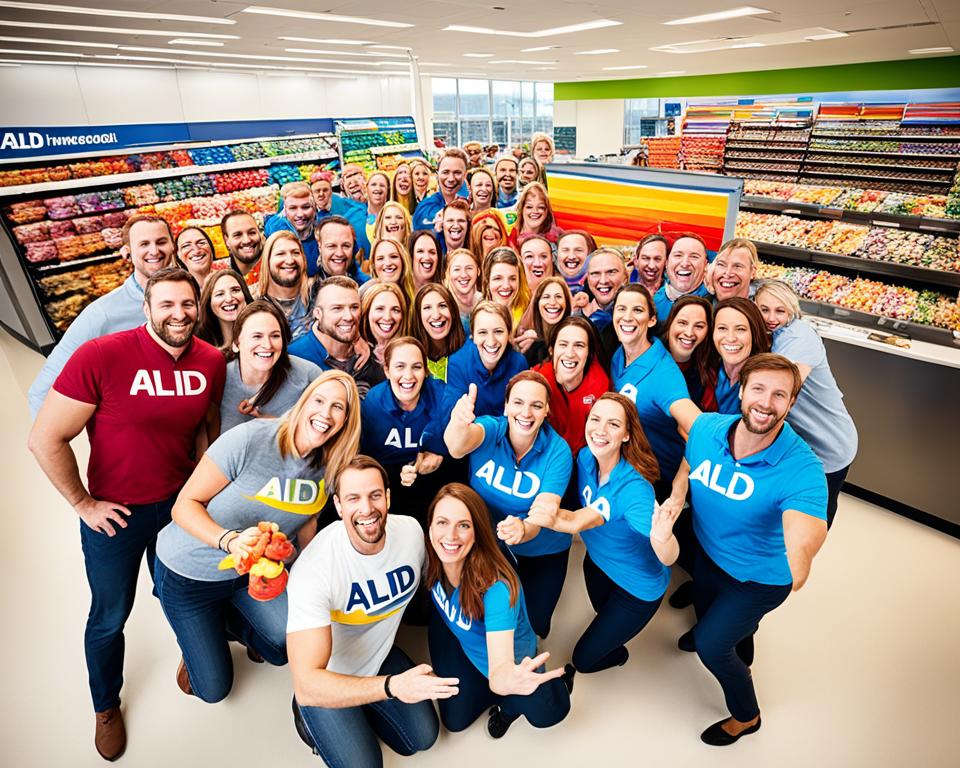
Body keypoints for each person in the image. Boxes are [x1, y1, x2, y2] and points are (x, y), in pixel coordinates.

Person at [27, 267, 225, 761]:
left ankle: (194, 655)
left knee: (180, 592)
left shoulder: (210, 360)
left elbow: (206, 428)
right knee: (110, 615)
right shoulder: (103, 356)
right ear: (146, 308)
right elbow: (45, 438)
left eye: (187, 305)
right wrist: (82, 503)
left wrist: (202, 490)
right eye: (167, 305)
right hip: (115, 515)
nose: (179, 314)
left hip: (178, 508)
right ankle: (105, 705)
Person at [155, 371, 360, 704]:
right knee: (212, 689)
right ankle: (199, 637)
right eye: (319, 400)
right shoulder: (250, 439)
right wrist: (230, 541)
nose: (325, 413)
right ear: (303, 402)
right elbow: (183, 507)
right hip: (190, 573)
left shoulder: (332, 466)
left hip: (254, 575)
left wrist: (311, 576)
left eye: (338, 407)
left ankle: (227, 621)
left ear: (346, 421)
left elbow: (307, 522)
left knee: (282, 647)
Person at [677, 353, 828, 745]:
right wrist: (677, 495)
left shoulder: (802, 468)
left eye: (780, 394)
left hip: (759, 578)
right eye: (758, 388)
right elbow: (687, 462)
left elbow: (805, 528)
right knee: (706, 615)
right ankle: (736, 630)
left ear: (791, 404)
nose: (766, 402)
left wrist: (801, 554)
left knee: (712, 646)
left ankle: (747, 716)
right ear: (741, 390)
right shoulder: (707, 428)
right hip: (709, 556)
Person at [287, 455, 454, 767]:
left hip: (378, 656)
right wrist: (392, 687)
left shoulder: (411, 533)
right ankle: (310, 721)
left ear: (388, 497)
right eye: (353, 498)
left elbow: (440, 583)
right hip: (328, 675)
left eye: (375, 495)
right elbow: (307, 685)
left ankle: (363, 702)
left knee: (422, 739)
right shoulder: (314, 569)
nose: (366, 509)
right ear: (338, 506)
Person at [520, 393, 683, 674]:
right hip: (598, 564)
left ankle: (616, 652)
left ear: (627, 435)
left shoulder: (635, 491)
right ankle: (610, 629)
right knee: (601, 609)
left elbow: (669, 556)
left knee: (584, 660)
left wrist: (664, 535)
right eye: (595, 419)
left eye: (613, 424)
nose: (600, 430)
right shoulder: (585, 458)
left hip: (638, 588)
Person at [425, 483, 571, 738]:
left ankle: (509, 710)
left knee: (549, 710)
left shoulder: (496, 591)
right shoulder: (431, 553)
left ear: (477, 533)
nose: (450, 536)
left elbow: (501, 669)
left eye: (464, 525)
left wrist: (503, 681)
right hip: (468, 648)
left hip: (507, 665)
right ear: (430, 526)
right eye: (442, 523)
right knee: (455, 722)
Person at [444, 371, 572, 639]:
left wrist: (524, 529)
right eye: (518, 403)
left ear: (546, 410)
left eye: (536, 405)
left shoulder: (558, 451)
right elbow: (457, 448)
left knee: (537, 625)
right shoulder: (491, 428)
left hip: (543, 549)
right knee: (494, 618)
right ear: (506, 406)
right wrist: (458, 423)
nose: (526, 412)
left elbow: (544, 511)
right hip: (492, 545)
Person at [27, 214, 175, 417]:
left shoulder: (191, 299)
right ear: (127, 252)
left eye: (161, 242)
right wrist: (53, 442)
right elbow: (41, 391)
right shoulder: (102, 314)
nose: (154, 251)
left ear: (173, 245)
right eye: (144, 244)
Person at [755, 280, 857, 527]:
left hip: (829, 444)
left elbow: (782, 389)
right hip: (799, 442)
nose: (771, 317)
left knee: (814, 515)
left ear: (792, 310)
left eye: (780, 311)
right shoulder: (769, 335)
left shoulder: (800, 336)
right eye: (764, 309)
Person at [609, 284, 700, 499]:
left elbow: (697, 426)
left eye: (638, 310)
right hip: (631, 474)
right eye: (621, 309)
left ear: (651, 320)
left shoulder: (663, 374)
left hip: (660, 484)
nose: (627, 317)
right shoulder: (618, 355)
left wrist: (680, 485)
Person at [361, 337, 453, 528]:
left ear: (426, 371)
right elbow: (369, 458)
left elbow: (458, 435)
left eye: (417, 367)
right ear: (387, 370)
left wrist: (437, 449)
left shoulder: (442, 395)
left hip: (435, 482)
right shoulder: (373, 402)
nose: (408, 376)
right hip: (390, 483)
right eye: (400, 366)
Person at [218, 300, 323, 434]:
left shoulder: (308, 374)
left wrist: (270, 421)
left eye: (275, 336)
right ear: (236, 344)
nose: (267, 345)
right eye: (257, 336)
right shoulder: (219, 377)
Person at [289, 276, 384, 399]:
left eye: (354, 307)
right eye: (337, 308)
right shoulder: (294, 357)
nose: (348, 316)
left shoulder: (370, 357)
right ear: (318, 313)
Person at [533, 316, 609, 454]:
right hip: (544, 456)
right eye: (563, 344)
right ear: (551, 350)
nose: (570, 353)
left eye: (579, 345)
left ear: (589, 353)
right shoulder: (536, 380)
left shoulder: (600, 384)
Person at [441, 301, 528, 421]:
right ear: (473, 336)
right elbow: (450, 418)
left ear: (508, 334)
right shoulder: (457, 364)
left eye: (498, 331)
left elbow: (521, 414)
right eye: (482, 332)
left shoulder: (518, 363)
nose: (491, 341)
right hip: (472, 435)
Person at [712, 297, 770, 415]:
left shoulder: (764, 382)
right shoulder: (709, 370)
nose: (731, 338)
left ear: (754, 334)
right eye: (722, 328)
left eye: (740, 329)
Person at [662, 295, 717, 412]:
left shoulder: (707, 377)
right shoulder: (647, 356)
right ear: (670, 323)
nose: (689, 332)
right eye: (682, 323)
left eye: (699, 326)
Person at [255, 231, 312, 341]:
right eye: (280, 254)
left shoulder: (317, 295)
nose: (290, 260)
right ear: (268, 260)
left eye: (295, 253)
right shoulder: (251, 300)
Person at [409, 282, 466, 382]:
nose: (436, 315)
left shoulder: (469, 354)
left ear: (452, 311)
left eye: (442, 306)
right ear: (419, 317)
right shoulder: (409, 357)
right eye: (427, 308)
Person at [265, 182, 322, 277]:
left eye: (305, 207)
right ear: (284, 211)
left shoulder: (323, 232)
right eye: (293, 208)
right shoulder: (275, 233)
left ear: (315, 208)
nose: (300, 214)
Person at [653, 233, 711, 321]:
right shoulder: (653, 303)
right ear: (667, 263)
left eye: (694, 257)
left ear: (705, 265)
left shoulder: (714, 305)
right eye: (678, 255)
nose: (685, 264)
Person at [518, 276, 572, 367]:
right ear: (537, 303)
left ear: (566, 303)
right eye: (546, 297)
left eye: (558, 297)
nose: (552, 302)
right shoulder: (530, 344)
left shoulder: (575, 337)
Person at [196, 268, 254, 350]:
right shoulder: (197, 344)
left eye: (235, 290)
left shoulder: (262, 335)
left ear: (245, 295)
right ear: (209, 302)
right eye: (220, 294)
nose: (229, 299)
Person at [412, 148, 469, 231]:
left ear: (465, 175)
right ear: (437, 175)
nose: (451, 179)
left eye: (457, 173)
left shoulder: (472, 204)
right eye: (445, 172)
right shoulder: (426, 207)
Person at [581, 247, 629, 334]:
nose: (603, 280)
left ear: (625, 276)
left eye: (611, 272)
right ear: (588, 278)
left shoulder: (638, 317)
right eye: (595, 273)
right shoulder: (576, 315)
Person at [482, 247, 531, 330]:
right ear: (488, 281)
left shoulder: (530, 318)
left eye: (512, 279)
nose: (506, 286)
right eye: (498, 278)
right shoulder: (479, 319)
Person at [360, 282, 407, 367]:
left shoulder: (411, 351)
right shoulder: (355, 353)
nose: (387, 317)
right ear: (367, 312)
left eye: (395, 310)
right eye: (380, 309)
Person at [316, 215, 371, 285]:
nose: (340, 253)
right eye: (332, 246)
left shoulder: (366, 288)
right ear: (319, 246)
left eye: (346, 246)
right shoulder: (307, 289)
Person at [507, 182, 559, 250]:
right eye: (529, 207)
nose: (535, 211)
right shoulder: (508, 237)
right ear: (522, 209)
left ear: (547, 211)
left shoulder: (555, 241)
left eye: (540, 207)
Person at [221, 210, 264, 286]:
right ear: (226, 240)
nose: (246, 240)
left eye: (252, 233)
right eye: (238, 235)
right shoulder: (220, 277)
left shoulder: (275, 267)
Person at [445, 248, 482, 330]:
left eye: (469, 268)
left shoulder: (486, 301)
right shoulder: (444, 305)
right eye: (457, 269)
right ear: (448, 273)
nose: (464, 275)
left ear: (478, 271)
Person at [711, 237, 758, 302]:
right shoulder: (702, 303)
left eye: (737, 266)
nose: (727, 274)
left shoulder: (765, 307)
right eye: (721, 265)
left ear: (753, 272)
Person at [556, 229, 597, 300]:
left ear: (590, 255)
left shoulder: (599, 288)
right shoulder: (548, 287)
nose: (571, 256)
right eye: (565, 250)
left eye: (578, 250)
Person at [365, 171, 391, 240]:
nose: (378, 188)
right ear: (366, 188)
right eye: (373, 184)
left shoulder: (393, 216)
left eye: (382, 185)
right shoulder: (359, 214)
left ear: (388, 191)